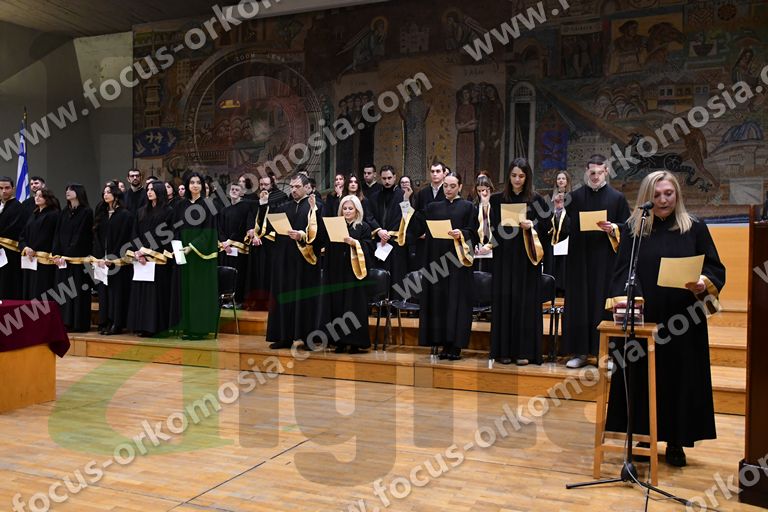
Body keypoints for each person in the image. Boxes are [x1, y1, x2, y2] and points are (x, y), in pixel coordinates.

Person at [604, 171, 725, 467]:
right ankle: (643, 436)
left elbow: (714, 268)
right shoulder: (633, 230)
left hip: (683, 321)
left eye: (668, 193)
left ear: (677, 194)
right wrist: (632, 301)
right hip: (645, 321)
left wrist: (703, 282)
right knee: (641, 379)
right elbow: (622, 271)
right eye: (656, 195)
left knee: (678, 380)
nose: (662, 200)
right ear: (646, 198)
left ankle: (675, 441)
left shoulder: (694, 227)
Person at [562, 155, 631, 368]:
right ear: (586, 171)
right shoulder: (574, 197)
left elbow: (627, 228)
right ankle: (579, 353)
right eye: (592, 172)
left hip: (605, 262)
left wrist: (614, 228)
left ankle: (606, 354)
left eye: (599, 173)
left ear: (606, 172)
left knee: (603, 304)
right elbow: (565, 227)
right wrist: (559, 211)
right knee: (579, 304)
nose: (595, 177)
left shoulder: (617, 198)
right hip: (579, 260)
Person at [489, 159, 550, 365]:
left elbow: (546, 227)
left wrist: (532, 225)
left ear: (527, 177)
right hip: (504, 259)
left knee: (525, 304)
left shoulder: (537, 200)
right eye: (514, 175)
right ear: (509, 176)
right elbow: (493, 229)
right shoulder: (497, 200)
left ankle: (524, 352)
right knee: (504, 302)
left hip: (526, 261)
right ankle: (503, 351)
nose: (517, 179)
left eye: (521, 176)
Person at [411, 172, 476, 360]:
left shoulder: (468, 207)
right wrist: (408, 203)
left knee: (456, 303)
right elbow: (417, 226)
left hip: (458, 264)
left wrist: (461, 233)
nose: (448, 189)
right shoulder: (433, 207)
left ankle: (455, 346)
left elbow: (474, 232)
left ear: (460, 187)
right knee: (439, 302)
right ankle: (441, 343)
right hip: (437, 262)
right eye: (446, 186)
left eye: (452, 186)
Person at [265, 173, 323, 350]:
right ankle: (284, 336)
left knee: (305, 299)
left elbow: (321, 234)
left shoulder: (315, 206)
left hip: (305, 261)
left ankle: (308, 338)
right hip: (284, 260)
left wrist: (302, 236)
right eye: (291, 187)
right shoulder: (285, 206)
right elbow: (269, 228)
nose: (294, 190)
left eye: (297, 187)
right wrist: (264, 206)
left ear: (307, 187)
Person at [169, 172, 219, 340]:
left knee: (198, 293)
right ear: (187, 185)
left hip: (200, 257)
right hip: (183, 255)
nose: (195, 185)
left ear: (202, 185)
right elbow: (175, 229)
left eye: (198, 182)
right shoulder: (180, 205)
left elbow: (209, 231)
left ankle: (200, 329)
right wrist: (178, 248)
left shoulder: (208, 205)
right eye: (192, 182)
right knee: (185, 292)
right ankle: (186, 327)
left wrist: (192, 247)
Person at [321, 195, 372, 353]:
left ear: (357, 210)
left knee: (353, 307)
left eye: (350, 208)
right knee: (338, 306)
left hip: (354, 275)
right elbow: (329, 247)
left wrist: (355, 243)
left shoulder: (363, 227)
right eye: (344, 208)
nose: (347, 211)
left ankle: (355, 342)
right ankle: (340, 341)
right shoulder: (336, 226)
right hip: (338, 272)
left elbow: (369, 248)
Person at [126, 181, 174, 337]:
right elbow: (134, 233)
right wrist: (138, 251)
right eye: (148, 189)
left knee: (155, 294)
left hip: (157, 258)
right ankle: (141, 325)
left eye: (153, 189)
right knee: (141, 292)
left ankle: (156, 327)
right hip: (141, 258)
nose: (149, 192)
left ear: (160, 191)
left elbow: (167, 234)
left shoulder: (168, 211)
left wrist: (148, 251)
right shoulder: (141, 211)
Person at [93, 182, 135, 335]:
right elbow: (96, 237)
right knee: (104, 292)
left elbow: (125, 238)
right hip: (102, 260)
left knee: (116, 293)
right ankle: (104, 321)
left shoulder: (125, 215)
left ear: (116, 195)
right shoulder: (102, 214)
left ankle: (116, 323)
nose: (105, 195)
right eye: (104, 192)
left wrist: (113, 256)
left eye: (108, 192)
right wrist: (99, 256)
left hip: (117, 260)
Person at [52, 184, 93, 332]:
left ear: (79, 193)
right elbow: (57, 233)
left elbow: (81, 235)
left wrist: (68, 254)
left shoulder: (86, 212)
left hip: (77, 260)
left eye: (71, 190)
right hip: (62, 260)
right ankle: (64, 322)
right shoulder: (64, 212)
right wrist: (56, 253)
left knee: (77, 291)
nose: (67, 192)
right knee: (63, 291)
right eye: (67, 190)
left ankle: (78, 323)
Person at [243, 174, 288, 310]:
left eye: (266, 185)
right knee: (256, 272)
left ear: (272, 184)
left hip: (271, 242)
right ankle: (256, 302)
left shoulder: (281, 197)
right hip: (257, 242)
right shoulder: (256, 199)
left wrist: (263, 234)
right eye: (261, 184)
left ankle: (270, 302)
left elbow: (280, 218)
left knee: (269, 273)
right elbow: (251, 217)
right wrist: (252, 232)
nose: (263, 187)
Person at [366, 165, 410, 299]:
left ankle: (395, 304)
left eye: (389, 178)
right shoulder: (374, 196)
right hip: (379, 241)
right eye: (384, 178)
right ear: (380, 178)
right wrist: (379, 231)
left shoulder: (402, 195)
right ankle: (379, 304)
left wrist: (407, 200)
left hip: (395, 242)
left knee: (396, 274)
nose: (387, 181)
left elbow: (406, 217)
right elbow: (369, 216)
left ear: (395, 177)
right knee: (381, 273)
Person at [19, 188, 60, 301]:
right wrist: (25, 247)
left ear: (48, 198)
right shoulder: (34, 214)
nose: (36, 198)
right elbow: (23, 235)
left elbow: (50, 236)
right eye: (36, 195)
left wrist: (34, 248)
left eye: (40, 196)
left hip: (44, 260)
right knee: (29, 289)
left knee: (41, 290)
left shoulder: (54, 214)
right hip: (29, 258)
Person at [218, 182, 251, 306]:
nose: (234, 191)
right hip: (225, 247)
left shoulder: (245, 208)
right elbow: (219, 228)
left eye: (237, 190)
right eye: (232, 189)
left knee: (237, 274)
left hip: (238, 247)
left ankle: (237, 300)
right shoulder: (224, 209)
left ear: (242, 193)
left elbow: (242, 227)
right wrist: (224, 242)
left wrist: (230, 241)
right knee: (225, 274)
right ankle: (225, 299)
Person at [0, 176, 28, 299]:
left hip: (9, 252)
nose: (4, 191)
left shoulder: (18, 207)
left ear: (13, 188)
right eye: (1, 188)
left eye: (7, 188)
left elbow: (14, 228)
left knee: (6, 282)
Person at [473, 173, 495, 273]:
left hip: (494, 244)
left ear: (490, 188)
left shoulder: (495, 204)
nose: (482, 193)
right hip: (479, 245)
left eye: (485, 190)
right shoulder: (475, 205)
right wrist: (474, 245)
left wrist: (490, 245)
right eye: (479, 191)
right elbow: (473, 227)